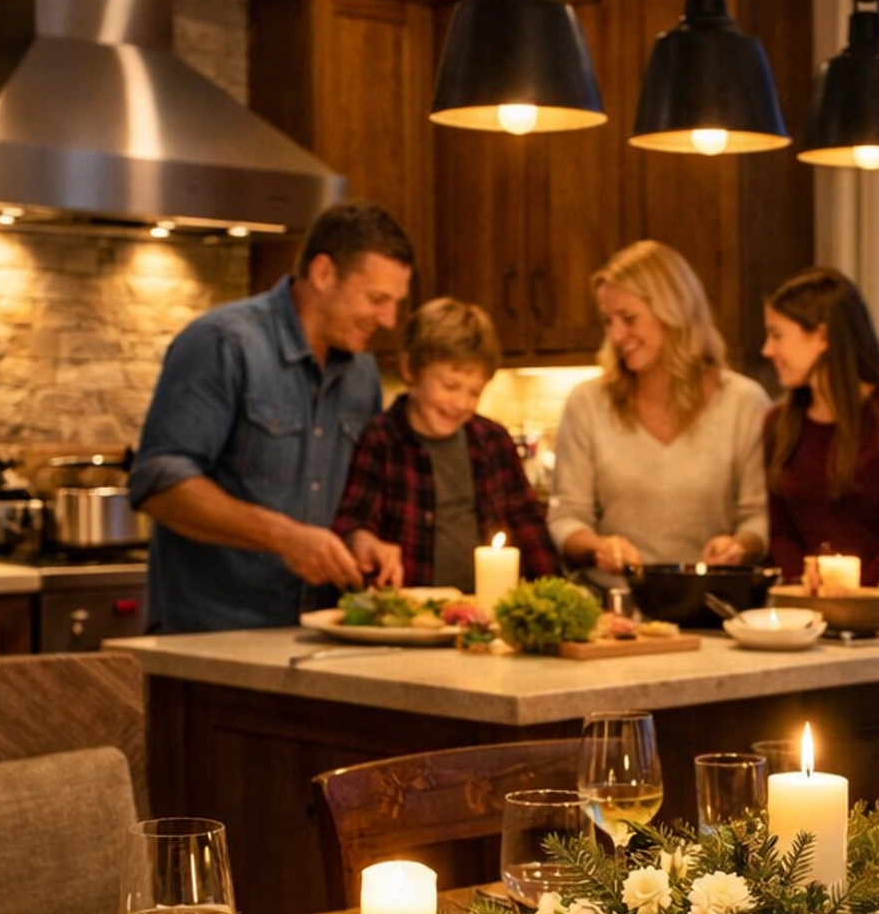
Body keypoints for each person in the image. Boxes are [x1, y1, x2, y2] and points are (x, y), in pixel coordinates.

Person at [130, 202, 414, 631]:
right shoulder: (223, 343)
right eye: (377, 299)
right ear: (323, 274)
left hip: (318, 636)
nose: (390, 319)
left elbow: (355, 498)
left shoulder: (362, 373)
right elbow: (158, 483)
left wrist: (361, 539)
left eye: (395, 303)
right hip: (212, 637)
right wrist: (285, 537)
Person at [547, 240, 769, 572]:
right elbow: (567, 516)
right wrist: (598, 547)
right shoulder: (588, 404)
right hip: (614, 607)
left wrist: (739, 545)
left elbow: (760, 516)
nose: (617, 335)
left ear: (674, 312)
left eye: (629, 318)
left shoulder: (744, 403)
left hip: (712, 601)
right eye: (608, 321)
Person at [333, 297, 560, 588]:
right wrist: (362, 540)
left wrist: (554, 591)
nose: (461, 403)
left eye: (475, 392)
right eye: (450, 386)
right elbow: (354, 520)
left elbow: (528, 525)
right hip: (408, 616)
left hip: (488, 616)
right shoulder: (381, 440)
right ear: (410, 370)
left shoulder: (493, 441)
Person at [761, 265, 879, 586]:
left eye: (777, 335)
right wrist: (802, 587)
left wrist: (853, 600)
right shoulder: (778, 425)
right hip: (804, 614)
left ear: (823, 336)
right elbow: (781, 534)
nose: (767, 349)